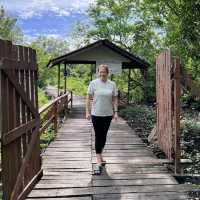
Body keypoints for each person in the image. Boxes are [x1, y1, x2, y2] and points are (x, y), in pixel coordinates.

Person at [85, 64, 118, 175]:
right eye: (100, 72)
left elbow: (114, 99)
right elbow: (88, 99)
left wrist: (116, 112)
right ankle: (98, 161)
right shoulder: (93, 83)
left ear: (107, 73)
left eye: (104, 72)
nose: (102, 74)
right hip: (96, 114)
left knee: (104, 137)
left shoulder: (112, 84)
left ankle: (100, 155)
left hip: (108, 114)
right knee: (98, 136)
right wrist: (87, 112)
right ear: (98, 72)